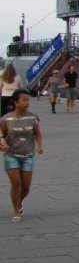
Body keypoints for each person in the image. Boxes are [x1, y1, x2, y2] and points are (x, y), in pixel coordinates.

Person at [0, 89, 42, 222]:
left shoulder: (32, 117)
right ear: (16, 102)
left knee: (26, 187)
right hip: (11, 155)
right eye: (24, 100)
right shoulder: (6, 119)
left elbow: (37, 133)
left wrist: (39, 146)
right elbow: (1, 135)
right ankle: (16, 211)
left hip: (28, 155)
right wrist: (2, 143)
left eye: (28, 100)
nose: (27, 102)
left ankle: (18, 201)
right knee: (16, 183)